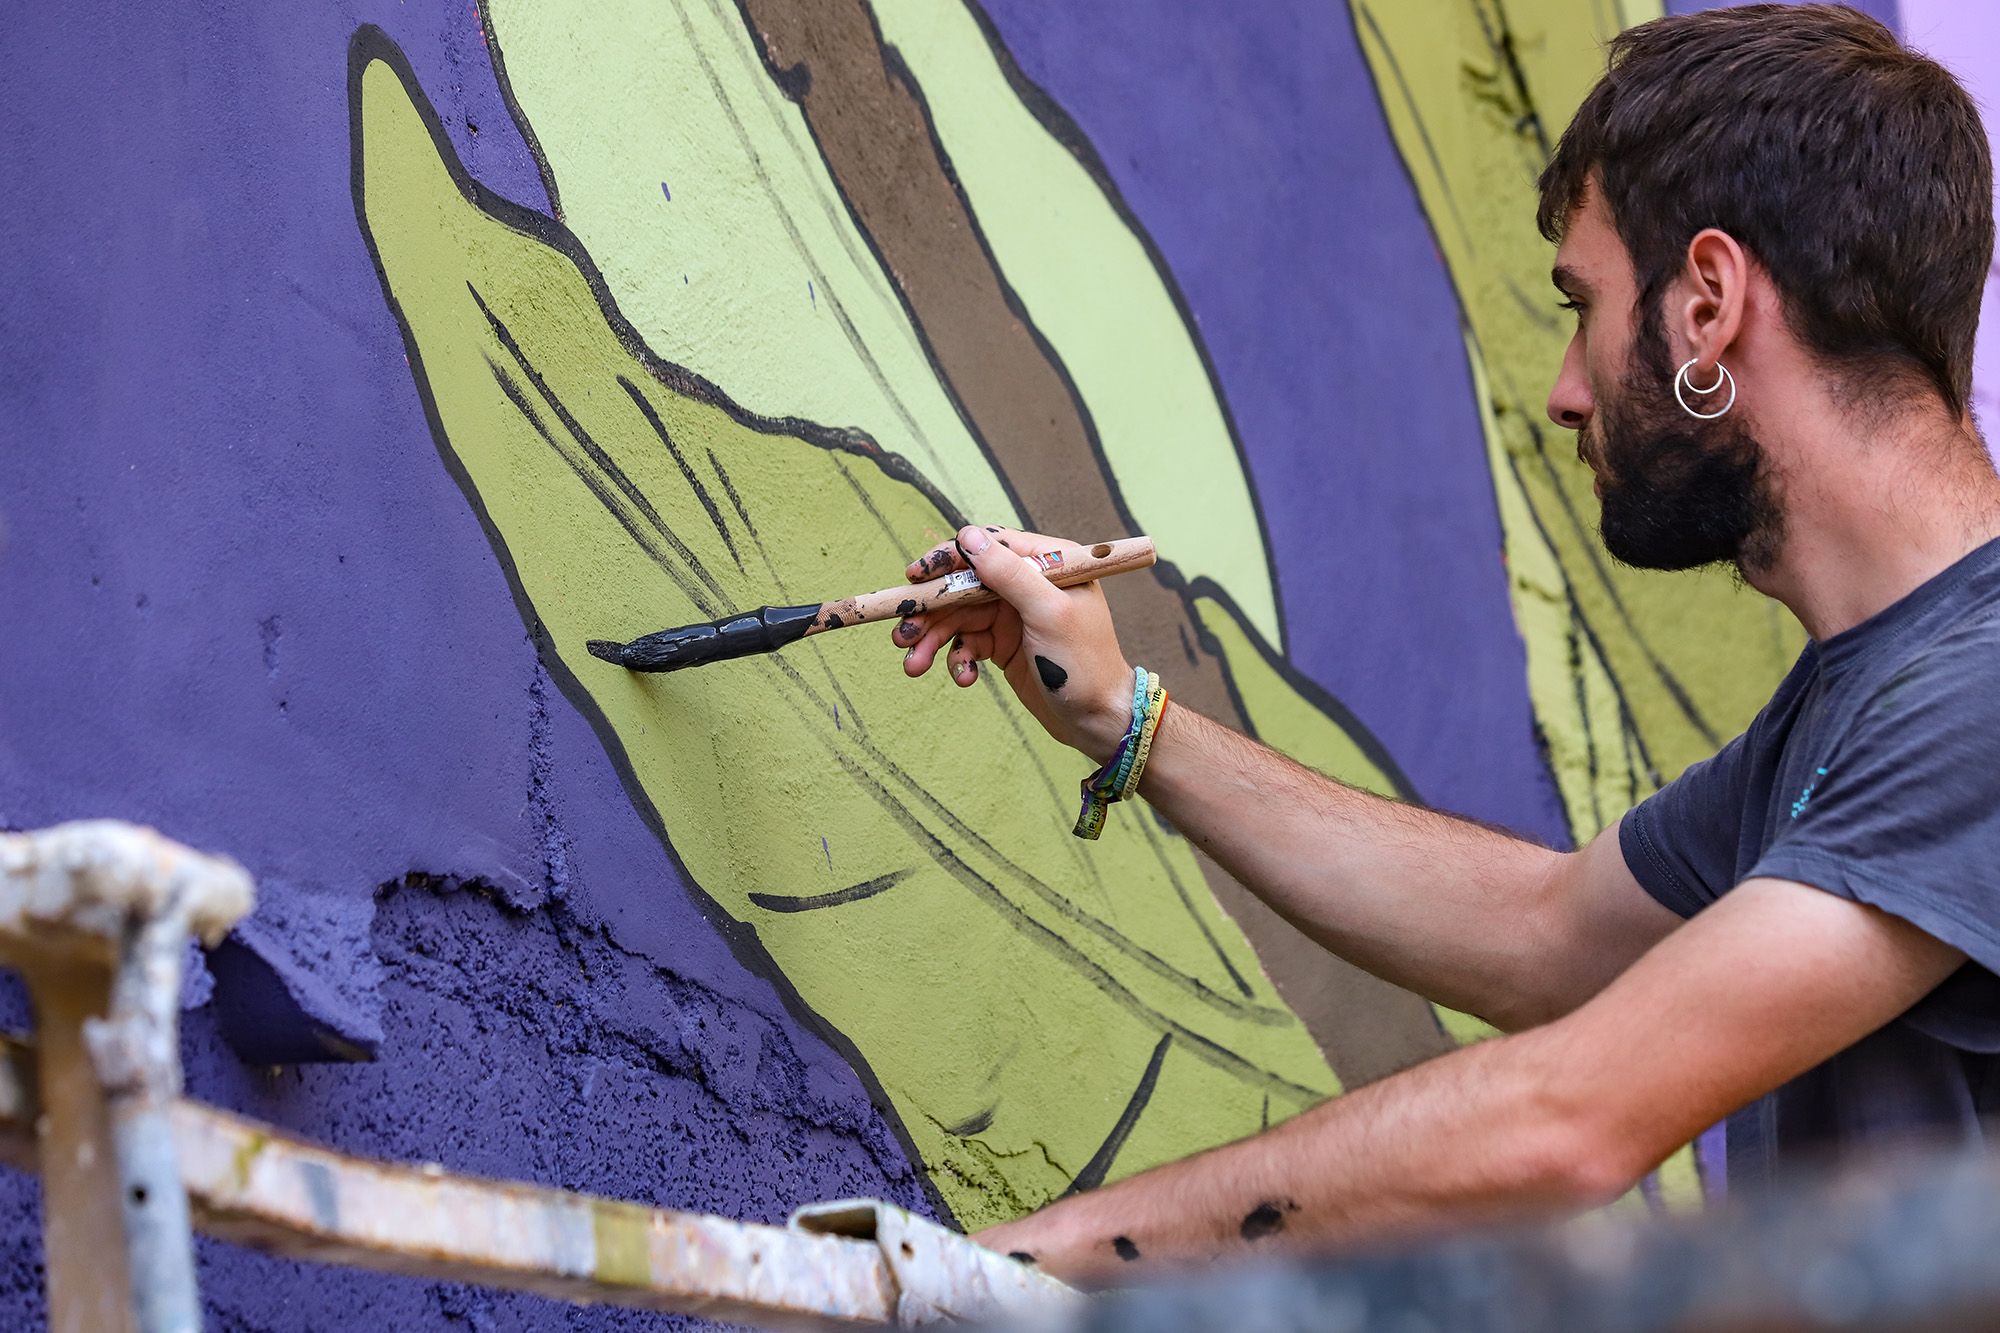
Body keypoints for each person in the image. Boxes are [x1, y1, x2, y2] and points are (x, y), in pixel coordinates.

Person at [883, 3, 2000, 1286]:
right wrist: (1125, 716)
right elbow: (1542, 935)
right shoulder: (1862, 703)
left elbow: (1566, 1115)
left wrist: (1007, 1266)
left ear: (1705, 308)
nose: (1565, 391)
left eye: (1582, 307)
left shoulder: (1972, 699)